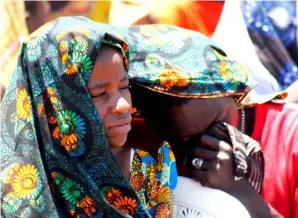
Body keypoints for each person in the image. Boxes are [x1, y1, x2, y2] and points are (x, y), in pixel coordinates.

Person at [123, 24, 298, 217]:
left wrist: (239, 190)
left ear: (234, 92)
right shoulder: (141, 137)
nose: (204, 147)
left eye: (217, 124)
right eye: (184, 141)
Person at [0, 16, 177, 217]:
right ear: (54, 103)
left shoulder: (152, 162)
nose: (123, 105)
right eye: (99, 94)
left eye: (124, 87)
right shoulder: (16, 189)